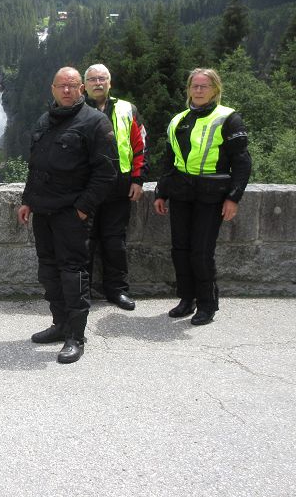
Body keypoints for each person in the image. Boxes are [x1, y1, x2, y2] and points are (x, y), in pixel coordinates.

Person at [17, 67, 117, 364]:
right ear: (52, 89)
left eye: (72, 85)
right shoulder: (44, 120)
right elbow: (36, 167)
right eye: (61, 85)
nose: (66, 90)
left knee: (73, 274)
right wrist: (27, 200)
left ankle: (76, 336)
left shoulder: (95, 121)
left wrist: (83, 208)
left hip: (72, 214)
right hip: (43, 211)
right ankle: (60, 324)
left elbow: (106, 173)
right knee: (48, 271)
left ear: (81, 89)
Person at [153, 68, 251, 325]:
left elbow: (242, 162)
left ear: (215, 89)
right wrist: (161, 192)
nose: (198, 90)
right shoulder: (178, 120)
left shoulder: (228, 118)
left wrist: (234, 198)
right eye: (194, 86)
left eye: (203, 86)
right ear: (188, 90)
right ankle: (187, 299)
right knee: (180, 250)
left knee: (201, 252)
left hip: (211, 194)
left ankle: (207, 304)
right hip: (181, 192)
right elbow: (170, 161)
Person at [83, 64, 148, 311]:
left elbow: (140, 145)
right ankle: (81, 291)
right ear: (84, 85)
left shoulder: (127, 109)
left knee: (114, 242)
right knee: (84, 241)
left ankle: (117, 290)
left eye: (102, 78)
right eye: (92, 79)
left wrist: (138, 179)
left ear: (110, 82)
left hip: (119, 186)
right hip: (85, 187)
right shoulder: (75, 109)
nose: (98, 83)